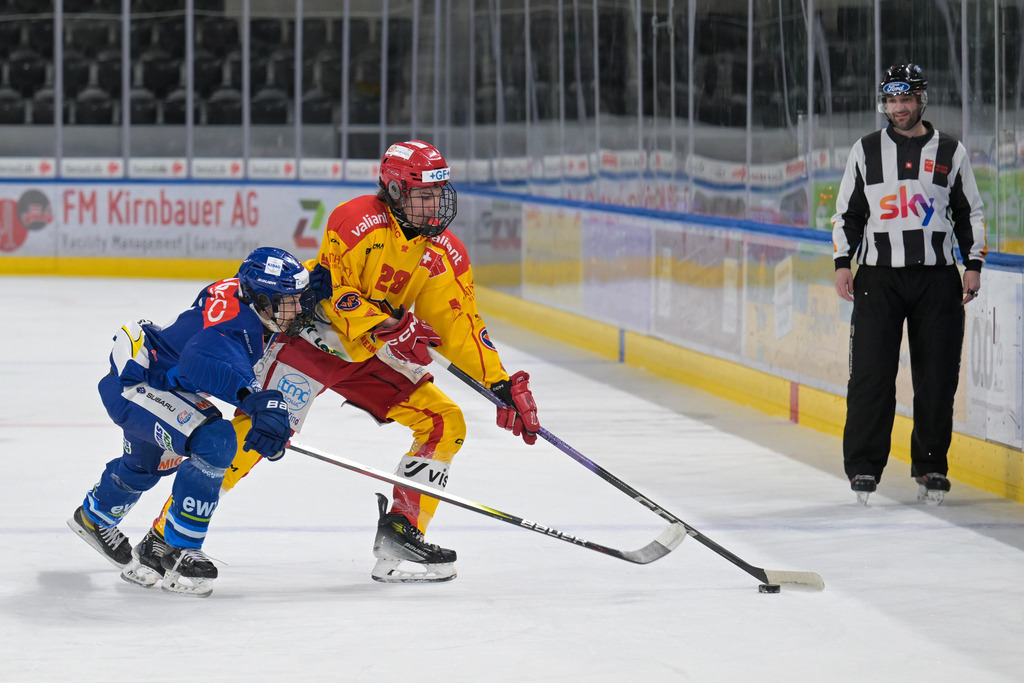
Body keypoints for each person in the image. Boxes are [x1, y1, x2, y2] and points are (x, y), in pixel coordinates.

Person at [141, 139, 540, 584]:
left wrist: (500, 385)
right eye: (424, 194)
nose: (436, 205)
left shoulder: (445, 253)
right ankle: (164, 536)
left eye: (439, 192)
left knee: (445, 422)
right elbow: (340, 295)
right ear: (393, 188)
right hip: (311, 344)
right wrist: (393, 328)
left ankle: (402, 530)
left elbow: (459, 323)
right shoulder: (356, 221)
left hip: (367, 356)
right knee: (256, 433)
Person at [68, 246, 316, 596]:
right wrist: (254, 398)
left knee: (146, 465)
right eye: (290, 300)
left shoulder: (242, 295)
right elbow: (199, 360)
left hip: (149, 371)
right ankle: (179, 548)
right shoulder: (236, 326)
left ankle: (94, 517)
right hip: (137, 384)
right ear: (261, 299)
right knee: (215, 440)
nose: (299, 308)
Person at [831, 63, 987, 506]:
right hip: (878, 278)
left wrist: (972, 263)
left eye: (906, 99)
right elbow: (848, 213)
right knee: (870, 378)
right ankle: (863, 469)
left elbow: (969, 211)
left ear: (921, 99)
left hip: (938, 280)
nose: (898, 108)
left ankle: (931, 466)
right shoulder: (865, 150)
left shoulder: (951, 151)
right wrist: (843, 261)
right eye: (891, 100)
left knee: (937, 378)